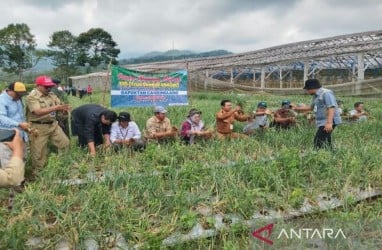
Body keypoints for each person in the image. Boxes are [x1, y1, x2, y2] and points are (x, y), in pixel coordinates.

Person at [25, 76, 70, 170]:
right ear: (38, 86)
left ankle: (62, 165)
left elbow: (59, 105)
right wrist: (56, 108)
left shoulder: (51, 95)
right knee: (39, 153)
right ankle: (39, 173)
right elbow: (37, 111)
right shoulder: (32, 97)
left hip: (53, 125)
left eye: (50, 86)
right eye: (46, 87)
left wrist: (64, 109)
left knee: (64, 143)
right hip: (38, 127)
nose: (49, 89)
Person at [292, 79, 342, 149]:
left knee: (318, 141)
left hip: (328, 121)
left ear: (311, 87)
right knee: (326, 140)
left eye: (307, 89)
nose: (307, 91)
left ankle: (318, 155)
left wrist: (329, 123)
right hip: (322, 122)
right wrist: (296, 108)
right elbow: (311, 107)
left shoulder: (326, 93)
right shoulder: (316, 96)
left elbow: (331, 107)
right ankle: (330, 153)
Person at [0, 82, 29, 167]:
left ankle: (21, 178)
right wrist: (18, 124)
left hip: (20, 134)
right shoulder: (1, 100)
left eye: (21, 95)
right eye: (18, 94)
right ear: (10, 91)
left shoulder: (18, 99)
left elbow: (20, 115)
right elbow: (1, 118)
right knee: (9, 161)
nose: (20, 97)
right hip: (7, 136)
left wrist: (25, 127)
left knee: (21, 158)